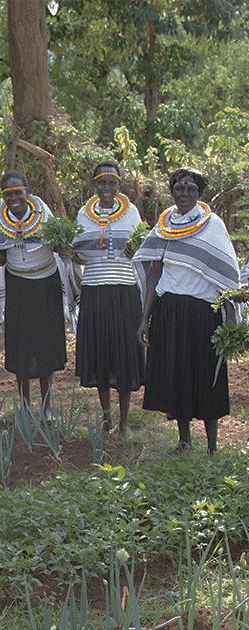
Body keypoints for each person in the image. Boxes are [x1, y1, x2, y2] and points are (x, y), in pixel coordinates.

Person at [134, 167, 240, 453]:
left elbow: (225, 275)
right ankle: (184, 441)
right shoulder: (165, 224)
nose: (184, 194)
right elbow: (155, 270)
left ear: (199, 193)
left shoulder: (213, 225)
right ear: (172, 191)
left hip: (203, 312)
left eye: (191, 189)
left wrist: (229, 318)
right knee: (177, 373)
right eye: (179, 188)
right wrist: (145, 318)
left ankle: (212, 446)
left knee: (206, 375)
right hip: (169, 310)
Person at [0, 171, 72, 416]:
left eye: (17, 192)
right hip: (18, 285)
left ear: (27, 191)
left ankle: (46, 406)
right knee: (21, 343)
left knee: (45, 343)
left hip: (45, 285)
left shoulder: (44, 215)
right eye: (8, 194)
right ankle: (23, 405)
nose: (13, 198)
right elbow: (1, 260)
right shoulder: (0, 219)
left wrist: (62, 241)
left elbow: (59, 245)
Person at [71, 162, 146, 434]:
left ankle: (124, 421)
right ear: (94, 184)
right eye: (102, 182)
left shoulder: (131, 211)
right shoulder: (83, 213)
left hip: (125, 290)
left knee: (124, 351)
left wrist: (133, 247)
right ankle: (106, 417)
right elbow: (78, 251)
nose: (107, 188)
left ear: (119, 185)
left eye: (112, 182)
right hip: (94, 289)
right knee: (100, 350)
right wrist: (74, 253)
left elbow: (139, 246)